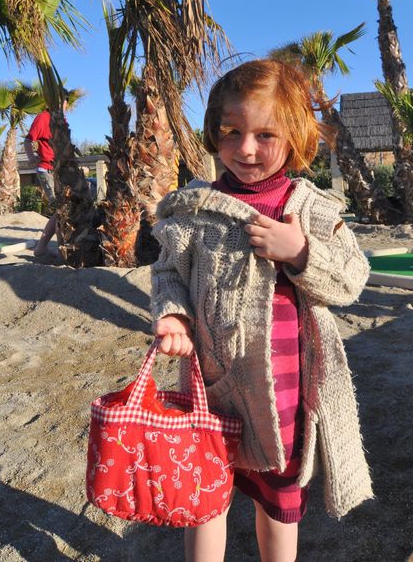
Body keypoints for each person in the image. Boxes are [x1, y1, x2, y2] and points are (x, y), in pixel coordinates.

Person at [150, 59, 373, 562]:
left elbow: (352, 279)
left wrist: (301, 252)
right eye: (232, 132)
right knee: (205, 499)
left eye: (265, 134)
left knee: (278, 502)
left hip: (285, 396)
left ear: (294, 136)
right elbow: (169, 273)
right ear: (214, 131)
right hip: (212, 389)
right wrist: (173, 316)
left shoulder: (312, 209)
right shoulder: (195, 209)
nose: (246, 149)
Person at [24, 95, 68, 257]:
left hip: (61, 171)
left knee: (62, 209)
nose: (63, 104)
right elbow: (28, 140)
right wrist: (30, 157)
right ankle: (58, 248)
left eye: (65, 101)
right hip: (47, 169)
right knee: (61, 209)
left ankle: (43, 247)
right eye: (61, 101)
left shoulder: (63, 121)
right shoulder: (43, 118)